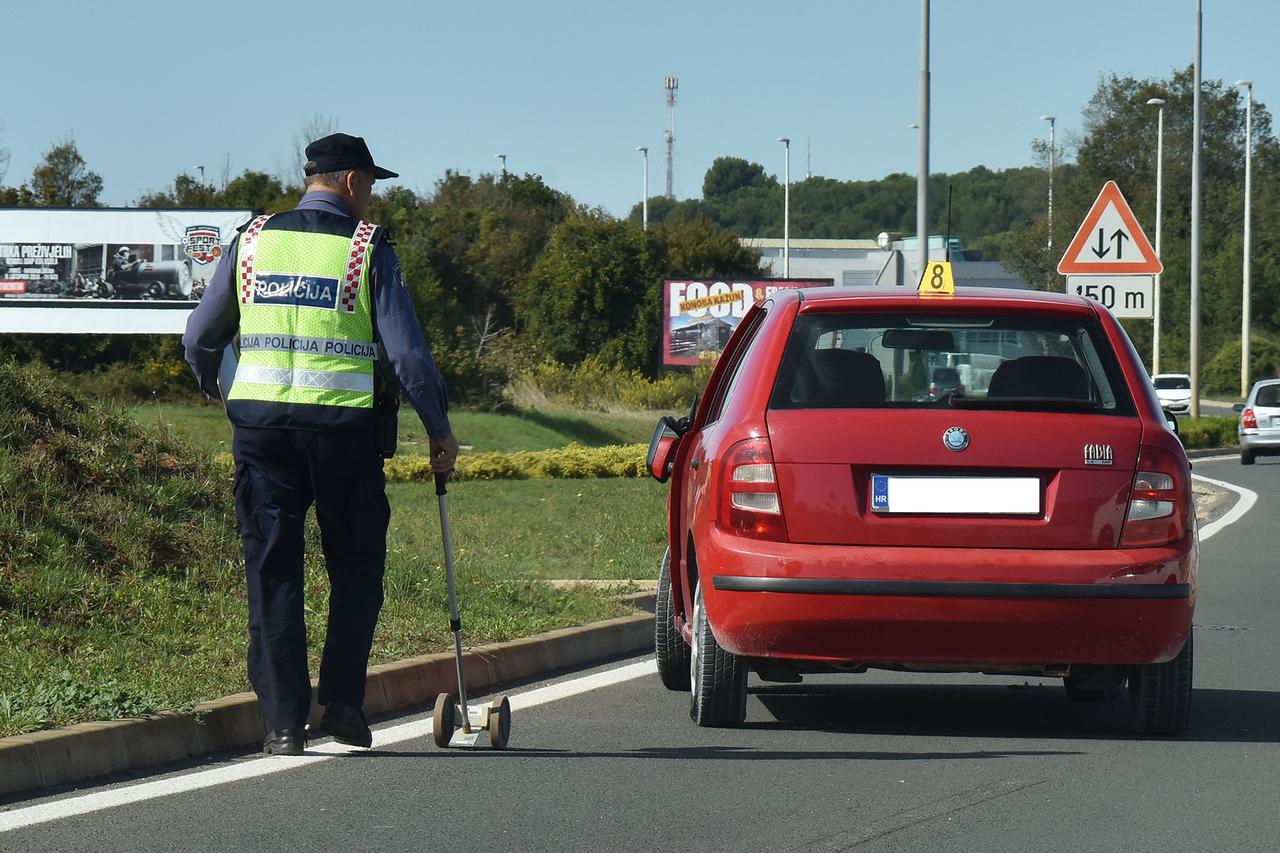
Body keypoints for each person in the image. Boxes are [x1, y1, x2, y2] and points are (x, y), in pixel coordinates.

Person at [182, 133, 459, 756]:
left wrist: (219, 387)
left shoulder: (252, 241)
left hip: (262, 437)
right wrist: (439, 428)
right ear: (353, 181)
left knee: (273, 570)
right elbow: (408, 355)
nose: (371, 199)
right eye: (371, 187)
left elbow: (200, 334)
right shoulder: (367, 247)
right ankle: (340, 706)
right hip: (344, 436)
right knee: (356, 569)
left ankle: (281, 725)